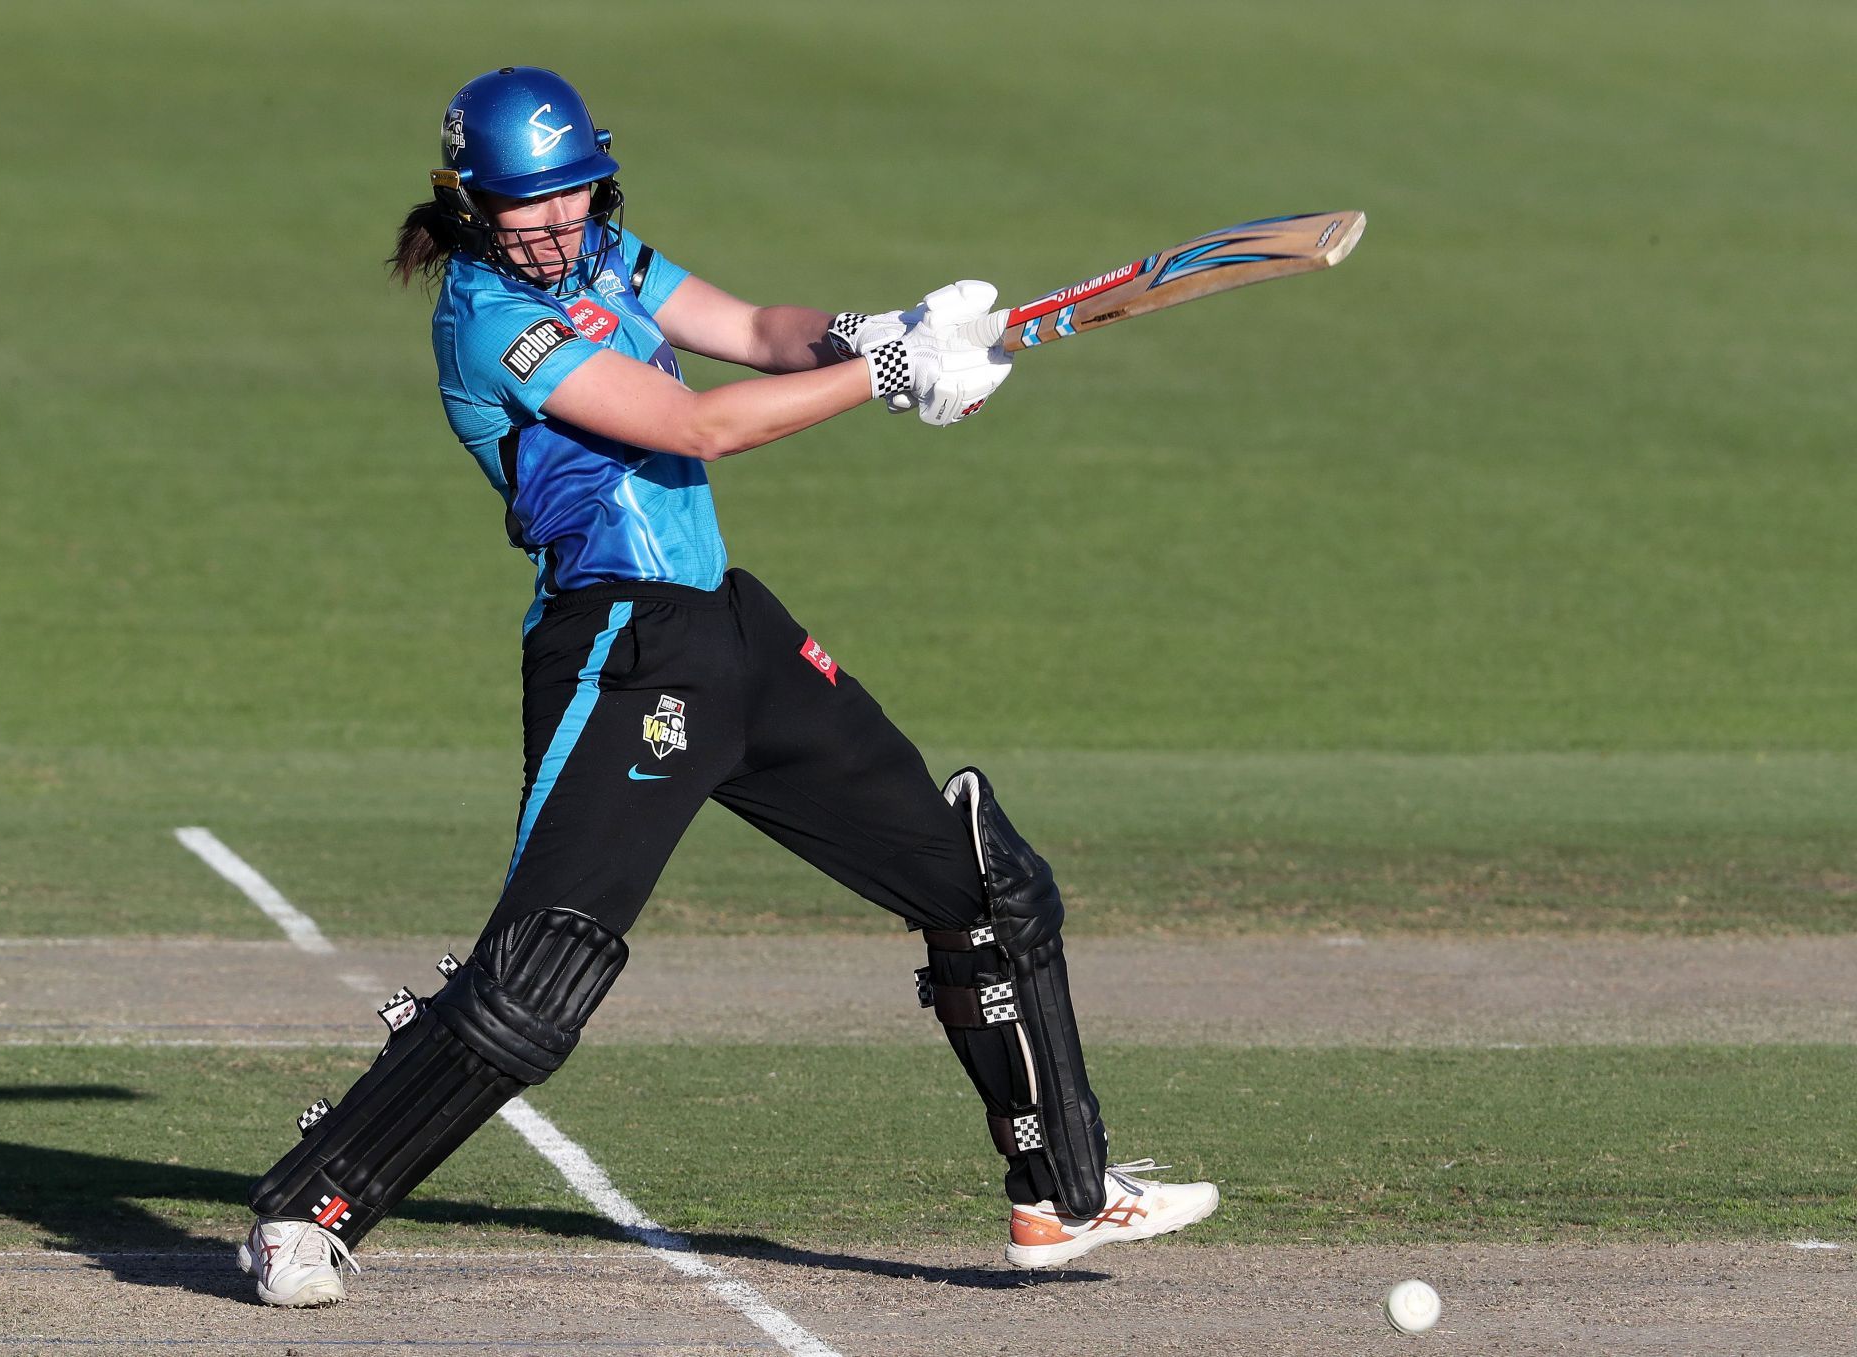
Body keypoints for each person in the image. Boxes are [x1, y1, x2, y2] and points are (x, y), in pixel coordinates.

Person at [238, 65, 1217, 1308]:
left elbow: (758, 332)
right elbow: (696, 427)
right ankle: (304, 1208)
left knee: (983, 889)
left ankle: (1064, 1196)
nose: (547, 224)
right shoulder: (489, 319)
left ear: (596, 178)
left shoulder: (609, 257)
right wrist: (892, 377)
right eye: (517, 205)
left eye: (566, 196)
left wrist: (874, 331)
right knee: (541, 975)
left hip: (733, 638)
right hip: (620, 647)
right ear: (468, 203)